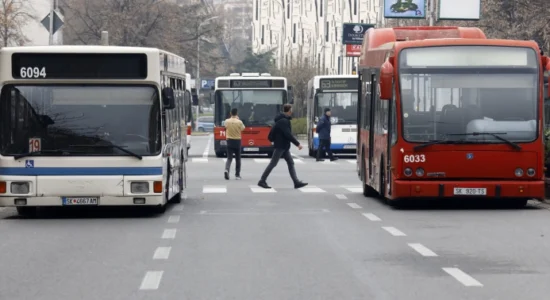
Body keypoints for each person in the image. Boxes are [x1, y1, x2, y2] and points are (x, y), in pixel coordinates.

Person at [258, 104, 308, 189]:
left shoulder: (281, 120)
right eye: (291, 110)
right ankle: (262, 181)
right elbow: (288, 134)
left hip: (284, 147)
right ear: (289, 111)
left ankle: (296, 182)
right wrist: (297, 144)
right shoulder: (284, 121)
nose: (292, 112)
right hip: (281, 146)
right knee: (273, 163)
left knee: (290, 162)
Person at [224, 108, 245, 180]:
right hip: (237, 141)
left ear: (230, 113)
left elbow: (225, 127)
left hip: (229, 141)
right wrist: (238, 119)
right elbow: (243, 128)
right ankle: (237, 175)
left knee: (229, 158)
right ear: (237, 113)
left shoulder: (227, 121)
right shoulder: (239, 122)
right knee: (238, 159)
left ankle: (227, 170)